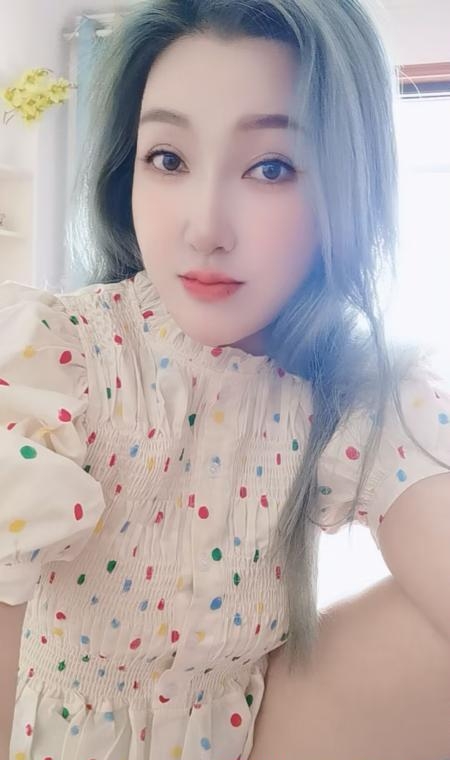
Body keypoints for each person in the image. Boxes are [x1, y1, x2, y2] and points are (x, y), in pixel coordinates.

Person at [1, 1, 449, 759]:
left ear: (346, 189)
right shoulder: (62, 359)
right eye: (167, 159)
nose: (205, 227)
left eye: (271, 167)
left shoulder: (350, 389)